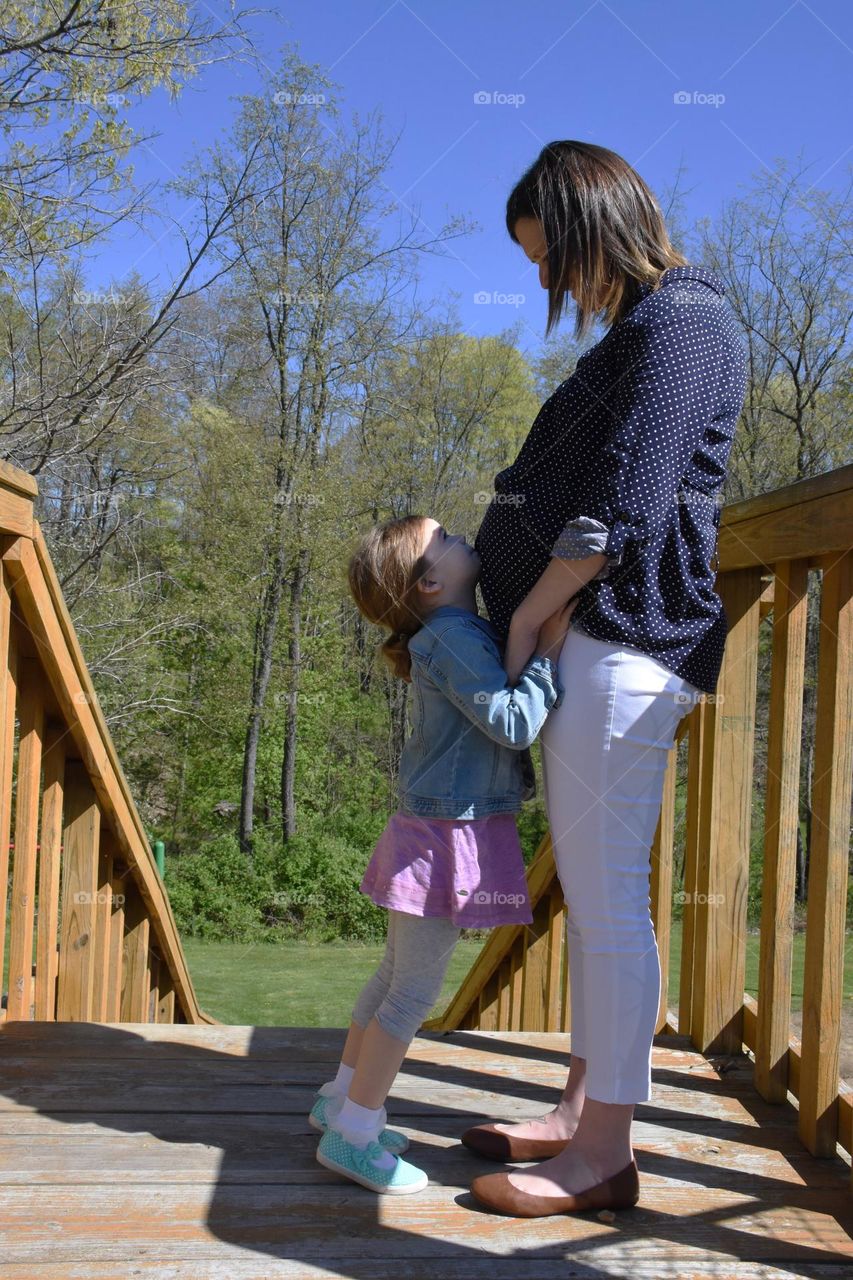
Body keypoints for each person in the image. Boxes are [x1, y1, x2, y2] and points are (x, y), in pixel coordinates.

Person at [462, 140, 748, 1218]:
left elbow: (627, 504)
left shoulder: (684, 322)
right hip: (602, 637)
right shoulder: (652, 324)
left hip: (625, 635)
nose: (545, 282)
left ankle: (602, 1156)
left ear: (593, 228)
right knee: (593, 899)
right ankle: (580, 1110)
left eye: (549, 258)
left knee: (608, 906)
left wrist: (533, 610)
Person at [310, 512, 574, 1195]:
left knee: (392, 977)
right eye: (445, 539)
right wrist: (547, 656)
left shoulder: (446, 634)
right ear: (429, 581)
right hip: (448, 834)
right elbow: (513, 724)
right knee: (411, 995)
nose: (461, 538)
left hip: (428, 828)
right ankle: (355, 1135)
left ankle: (340, 1098)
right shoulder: (454, 638)